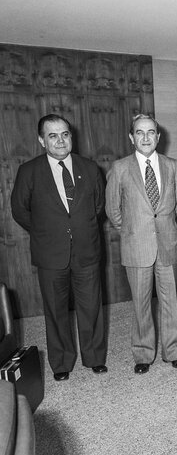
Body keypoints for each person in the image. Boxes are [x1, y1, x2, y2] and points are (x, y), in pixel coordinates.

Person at [11, 114, 107, 381]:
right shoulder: (29, 171)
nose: (60, 140)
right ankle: (62, 362)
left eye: (65, 134)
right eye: (52, 135)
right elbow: (19, 210)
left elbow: (98, 206)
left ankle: (95, 358)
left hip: (86, 250)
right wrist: (47, 231)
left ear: (71, 136)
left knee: (91, 308)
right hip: (50, 253)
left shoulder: (89, 168)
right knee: (55, 311)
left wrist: (78, 228)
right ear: (42, 140)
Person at [106, 114, 177, 374]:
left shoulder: (172, 165)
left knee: (170, 300)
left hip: (167, 243)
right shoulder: (119, 168)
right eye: (139, 133)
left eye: (151, 132)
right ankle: (143, 354)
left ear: (158, 136)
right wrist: (131, 231)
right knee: (140, 302)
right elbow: (112, 210)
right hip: (136, 246)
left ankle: (174, 351)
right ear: (131, 137)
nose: (146, 138)